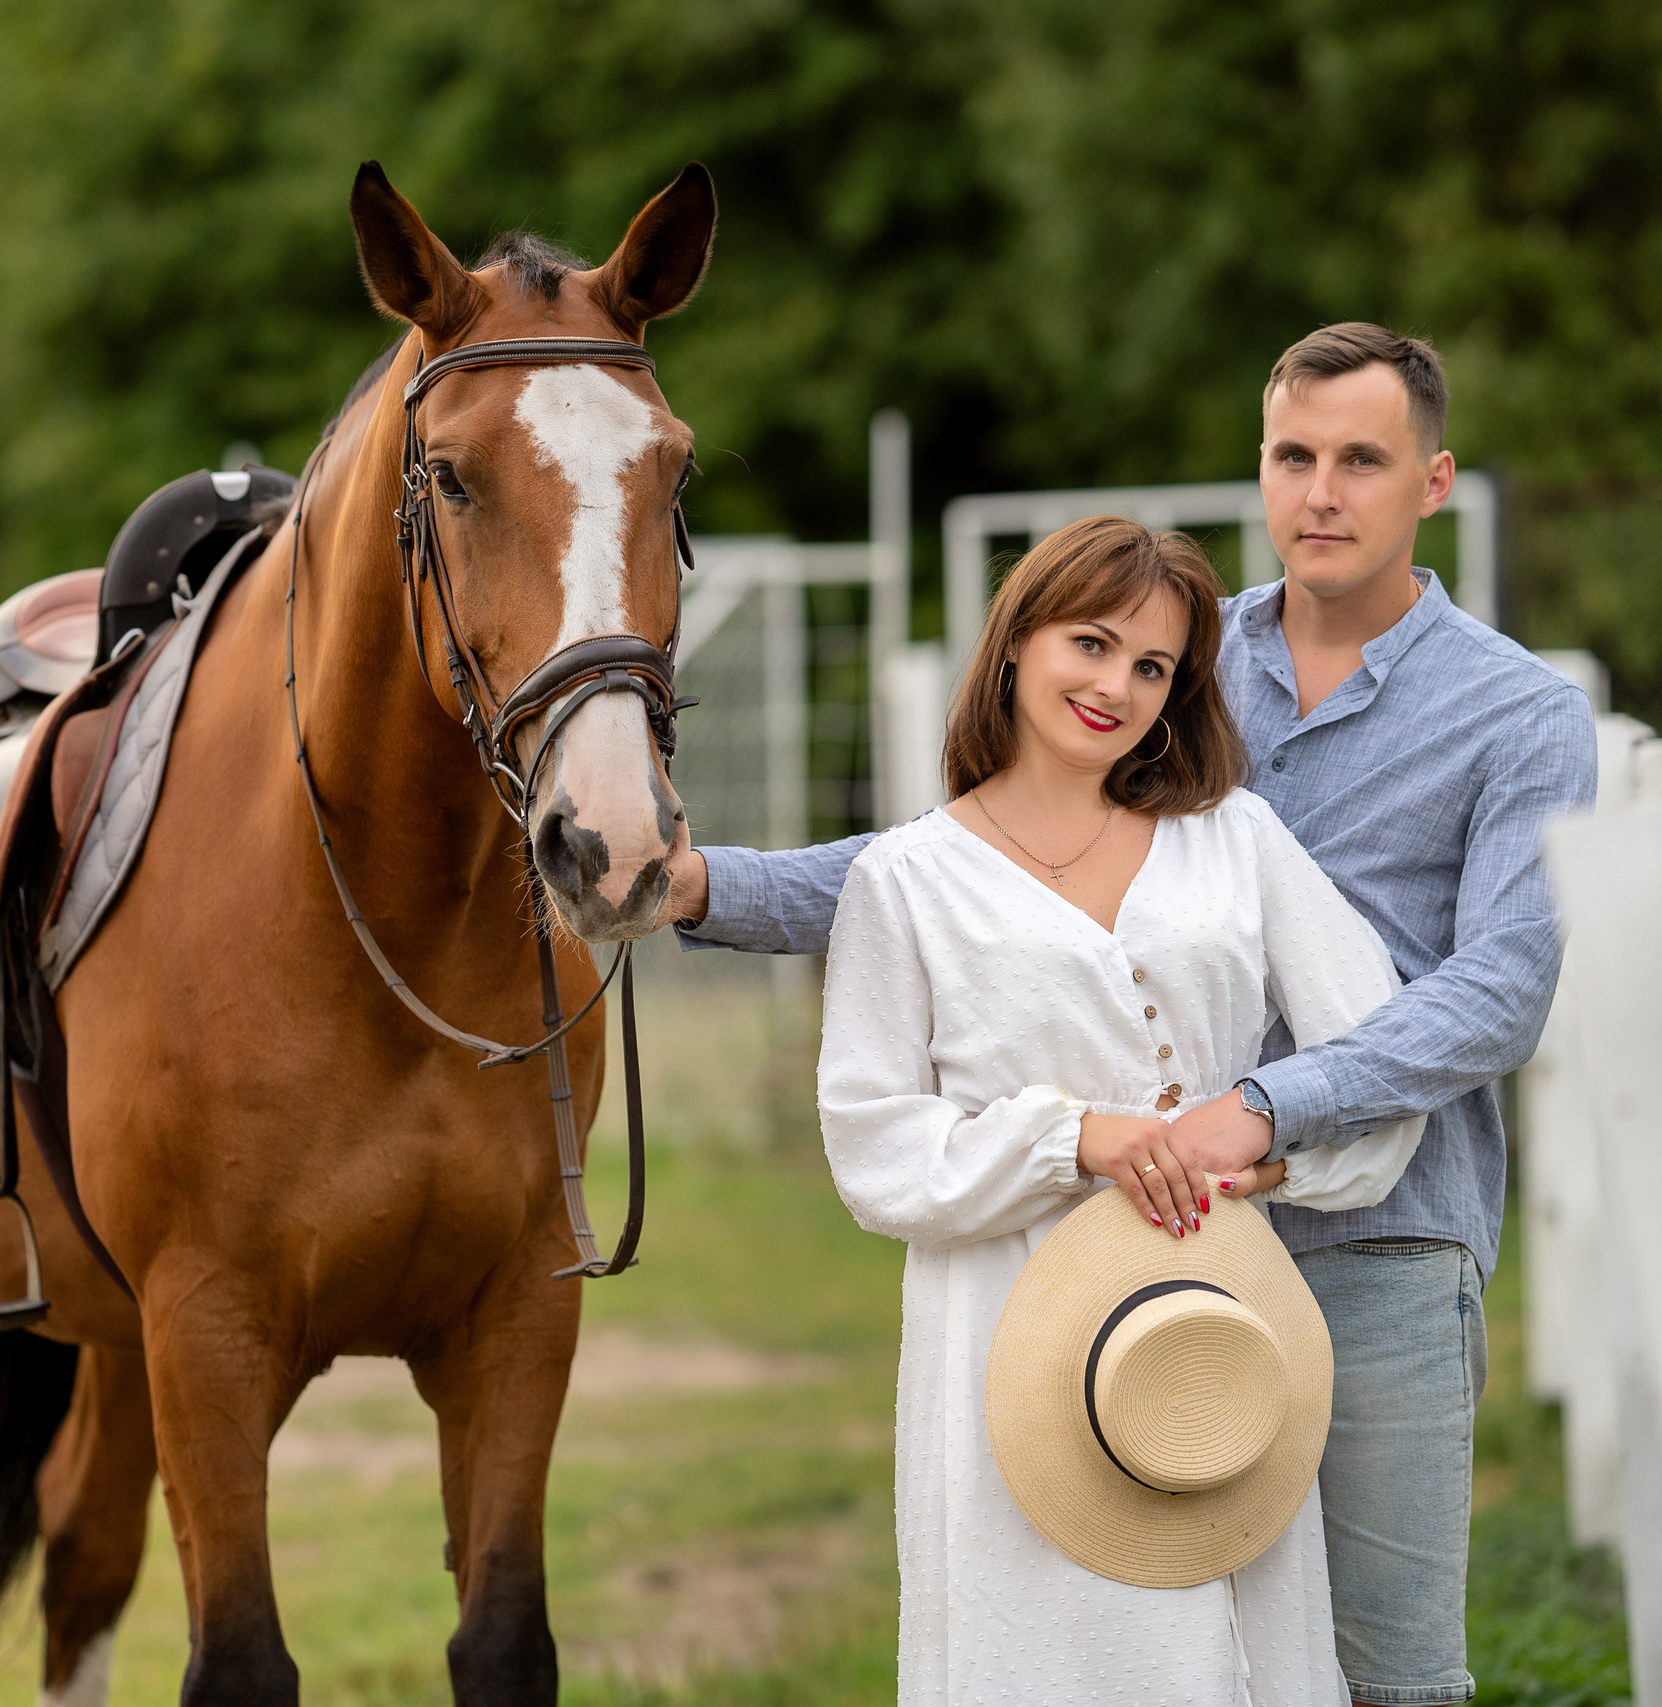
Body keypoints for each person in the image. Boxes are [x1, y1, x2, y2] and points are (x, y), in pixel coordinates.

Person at [666, 324, 1598, 1706]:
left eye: (1361, 460)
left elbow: (1503, 986)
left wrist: (1262, 1116)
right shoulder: (1183, 651)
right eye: (1292, 456)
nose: (1320, 493)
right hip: (1122, 1244)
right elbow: (967, 872)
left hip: (1377, 1224)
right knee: (1141, 1635)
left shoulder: (1517, 714)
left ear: (1434, 480)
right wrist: (704, 886)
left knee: (1380, 1667)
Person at [821, 514, 1421, 1704]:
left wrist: (1269, 1162)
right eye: (1090, 645)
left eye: (1152, 667)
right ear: (1015, 641)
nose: (1116, 688)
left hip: (1214, 1306)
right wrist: (1072, 1139)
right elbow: (874, 1147)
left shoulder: (1231, 837)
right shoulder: (904, 877)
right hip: (1006, 1320)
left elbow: (1378, 1056)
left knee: (1226, 1630)